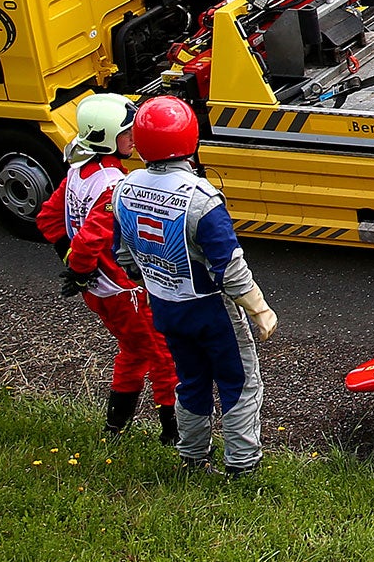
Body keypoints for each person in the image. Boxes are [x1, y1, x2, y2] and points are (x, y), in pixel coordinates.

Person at [68, 96, 278, 476]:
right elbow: (229, 267)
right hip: (209, 307)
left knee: (191, 382)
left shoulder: (124, 189)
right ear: (190, 139)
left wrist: (150, 278)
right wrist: (260, 310)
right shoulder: (200, 198)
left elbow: (124, 254)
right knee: (239, 384)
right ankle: (242, 466)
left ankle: (193, 457)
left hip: (164, 305)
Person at [35, 93, 177, 444]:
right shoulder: (112, 184)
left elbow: (48, 217)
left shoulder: (80, 173)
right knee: (164, 357)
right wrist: (79, 265)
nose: (134, 139)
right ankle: (175, 436)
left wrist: (73, 266)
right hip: (123, 291)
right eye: (127, 134)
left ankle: (114, 428)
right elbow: (91, 237)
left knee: (134, 351)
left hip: (99, 292)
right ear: (106, 138)